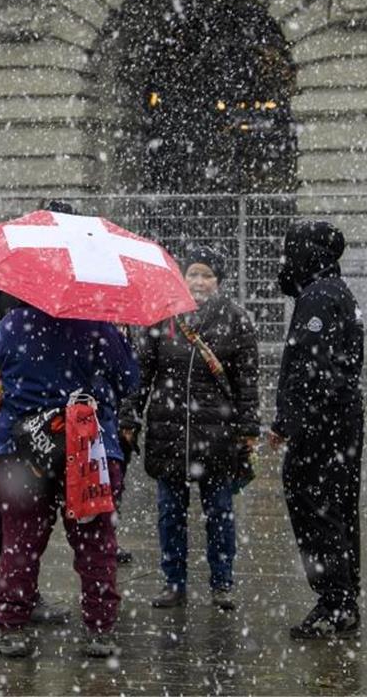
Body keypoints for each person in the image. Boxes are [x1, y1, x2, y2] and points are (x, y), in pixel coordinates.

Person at [0, 302, 139, 658]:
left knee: (20, 538)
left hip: (19, 447)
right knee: (95, 541)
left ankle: (12, 626)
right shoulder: (99, 326)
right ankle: (99, 629)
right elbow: (129, 380)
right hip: (86, 444)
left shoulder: (7, 327)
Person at [121, 245, 260, 612]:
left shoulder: (235, 319)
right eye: (193, 274)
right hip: (169, 434)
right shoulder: (162, 317)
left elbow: (247, 381)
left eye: (206, 275)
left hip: (217, 436)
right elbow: (142, 374)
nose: (198, 281)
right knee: (170, 514)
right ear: (181, 279)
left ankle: (222, 582)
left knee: (219, 511)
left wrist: (249, 427)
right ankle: (174, 581)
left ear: (218, 281)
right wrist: (129, 416)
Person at [268, 221, 364, 639]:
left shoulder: (320, 298)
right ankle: (343, 597)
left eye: (292, 251)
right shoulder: (332, 292)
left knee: (317, 510)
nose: (286, 261)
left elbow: (309, 369)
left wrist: (291, 423)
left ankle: (334, 601)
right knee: (338, 508)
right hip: (337, 421)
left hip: (321, 424)